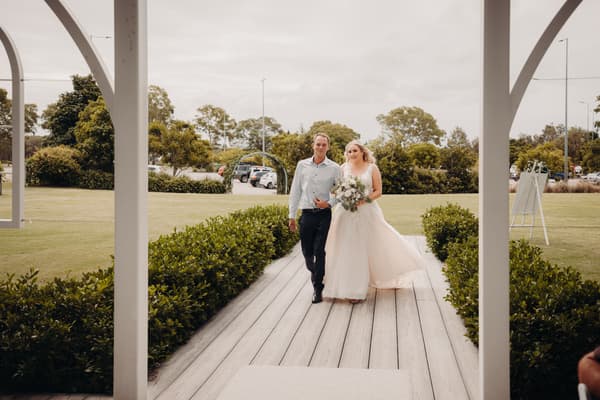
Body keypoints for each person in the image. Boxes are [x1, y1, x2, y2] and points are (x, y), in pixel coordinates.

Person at [323, 140, 424, 303]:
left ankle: (358, 288)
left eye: (354, 150)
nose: (351, 154)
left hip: (367, 212)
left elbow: (378, 191)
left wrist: (363, 200)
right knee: (345, 247)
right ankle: (344, 286)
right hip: (345, 212)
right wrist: (344, 196)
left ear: (362, 152)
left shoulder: (372, 168)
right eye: (348, 152)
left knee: (365, 247)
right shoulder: (343, 168)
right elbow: (336, 189)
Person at [288, 133, 341, 304]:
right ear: (313, 145)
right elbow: (295, 190)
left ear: (328, 147)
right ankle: (315, 271)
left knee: (320, 250)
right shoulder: (302, 165)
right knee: (307, 252)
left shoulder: (334, 168)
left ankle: (318, 288)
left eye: (323, 145)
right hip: (307, 213)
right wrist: (291, 215)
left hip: (324, 215)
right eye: (318, 144)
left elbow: (342, 192)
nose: (320, 147)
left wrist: (329, 203)